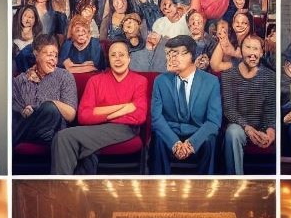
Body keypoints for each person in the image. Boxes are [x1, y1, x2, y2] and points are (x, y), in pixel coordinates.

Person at [51, 40, 148, 175]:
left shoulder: (139, 81)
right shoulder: (95, 81)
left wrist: (98, 113)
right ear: (108, 58)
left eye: (122, 54)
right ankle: (70, 189)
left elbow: (139, 116)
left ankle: (60, 190)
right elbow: (84, 116)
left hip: (125, 129)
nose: (118, 59)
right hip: (97, 130)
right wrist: (124, 108)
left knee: (64, 137)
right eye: (113, 55)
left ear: (129, 58)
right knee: (80, 149)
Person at [149, 35, 222, 174]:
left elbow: (213, 121)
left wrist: (191, 144)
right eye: (169, 54)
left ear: (191, 56)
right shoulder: (160, 81)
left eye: (176, 54)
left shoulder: (211, 82)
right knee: (158, 136)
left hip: (197, 131)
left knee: (210, 139)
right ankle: (159, 187)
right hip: (171, 131)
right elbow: (156, 118)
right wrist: (174, 143)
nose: (171, 59)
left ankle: (205, 188)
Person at [221, 34, 276, 174]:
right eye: (248, 48)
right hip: (239, 127)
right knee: (233, 132)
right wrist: (248, 129)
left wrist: (270, 131)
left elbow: (271, 110)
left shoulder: (269, 76)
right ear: (240, 51)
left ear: (261, 53)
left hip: (261, 128)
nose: (252, 53)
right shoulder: (229, 73)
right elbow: (229, 109)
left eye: (256, 49)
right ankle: (236, 183)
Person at [12, 34, 78, 148]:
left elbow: (71, 114)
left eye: (56, 55)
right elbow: (17, 114)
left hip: (54, 130)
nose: (53, 58)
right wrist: (24, 111)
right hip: (30, 129)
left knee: (50, 109)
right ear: (36, 54)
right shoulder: (21, 80)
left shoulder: (65, 76)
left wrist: (51, 103)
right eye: (48, 54)